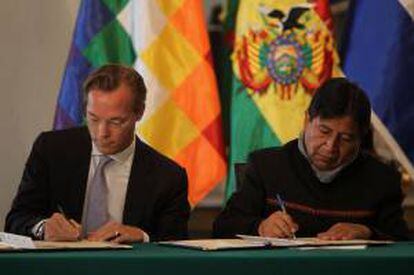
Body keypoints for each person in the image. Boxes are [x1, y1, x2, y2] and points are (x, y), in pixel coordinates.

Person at [5, 64, 190, 243]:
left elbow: (176, 243)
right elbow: (16, 220)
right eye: (93, 118)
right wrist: (43, 228)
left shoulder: (168, 177)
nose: (102, 133)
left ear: (139, 113)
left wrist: (142, 236)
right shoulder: (51, 150)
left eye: (116, 122)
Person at [213, 77, 410, 240]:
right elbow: (223, 227)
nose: (331, 146)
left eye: (346, 138)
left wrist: (368, 232)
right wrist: (261, 226)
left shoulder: (381, 179)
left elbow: (402, 243)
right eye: (324, 131)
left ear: (360, 138)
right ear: (307, 120)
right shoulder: (267, 167)